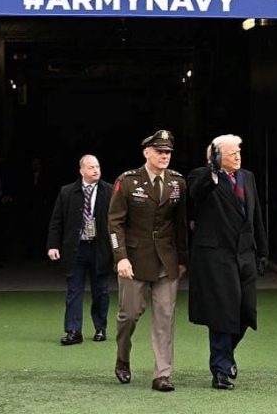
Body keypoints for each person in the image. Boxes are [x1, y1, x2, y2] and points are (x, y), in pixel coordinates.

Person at [187, 135, 269, 391]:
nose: (238, 156)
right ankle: (220, 370)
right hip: (216, 257)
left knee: (246, 311)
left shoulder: (247, 177)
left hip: (244, 254)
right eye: (232, 153)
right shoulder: (201, 176)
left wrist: (263, 251)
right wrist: (212, 170)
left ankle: (226, 354)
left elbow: (256, 216)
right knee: (222, 314)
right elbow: (195, 194)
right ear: (217, 156)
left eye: (238, 152)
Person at [108, 130, 188, 392]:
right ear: (147, 153)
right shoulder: (128, 181)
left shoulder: (177, 182)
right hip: (134, 259)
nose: (165, 156)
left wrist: (183, 259)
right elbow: (114, 223)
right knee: (129, 315)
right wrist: (120, 257)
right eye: (160, 152)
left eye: (168, 152)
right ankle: (123, 358)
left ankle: (162, 374)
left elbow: (181, 225)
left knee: (165, 316)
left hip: (166, 260)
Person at [47, 155, 112, 346]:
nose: (95, 170)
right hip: (76, 248)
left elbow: (118, 221)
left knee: (101, 290)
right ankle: (73, 331)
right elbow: (56, 221)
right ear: (81, 170)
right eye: (91, 167)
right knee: (74, 290)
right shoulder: (67, 192)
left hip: (100, 248)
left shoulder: (109, 190)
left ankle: (100, 328)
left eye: (98, 166)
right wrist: (53, 245)